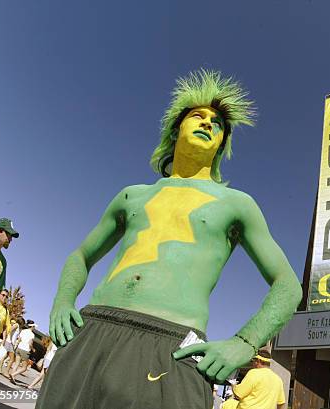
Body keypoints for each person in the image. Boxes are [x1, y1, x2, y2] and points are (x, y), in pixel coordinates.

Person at [36, 69, 303, 409]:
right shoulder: (132, 196)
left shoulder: (237, 204)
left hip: (172, 346)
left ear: (222, 143)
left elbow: (288, 285)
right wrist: (62, 302)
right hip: (92, 329)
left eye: (217, 124)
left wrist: (243, 343)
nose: (208, 123)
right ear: (178, 129)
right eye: (198, 116)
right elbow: (81, 255)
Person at [9, 319, 36, 384]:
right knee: (24, 368)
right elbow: (30, 344)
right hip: (25, 350)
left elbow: (19, 340)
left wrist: (15, 347)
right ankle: (13, 375)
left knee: (17, 363)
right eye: (34, 326)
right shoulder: (32, 334)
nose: (34, 328)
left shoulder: (23, 331)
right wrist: (33, 349)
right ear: (32, 326)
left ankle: (12, 377)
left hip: (19, 348)